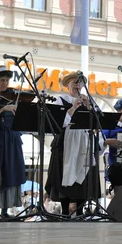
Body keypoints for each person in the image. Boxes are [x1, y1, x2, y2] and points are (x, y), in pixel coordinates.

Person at [45, 72, 103, 216]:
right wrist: (73, 108)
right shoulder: (60, 100)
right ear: (67, 85)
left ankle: (81, 209)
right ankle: (65, 210)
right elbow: (58, 123)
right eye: (74, 82)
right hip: (66, 141)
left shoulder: (88, 100)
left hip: (84, 140)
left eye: (80, 83)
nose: (77, 85)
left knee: (85, 172)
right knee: (66, 172)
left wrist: (88, 106)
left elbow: (98, 122)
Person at [0, 65, 26, 218]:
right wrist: (3, 109)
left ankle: (6, 209)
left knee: (11, 171)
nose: (5, 84)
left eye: (7, 80)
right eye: (1, 80)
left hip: (11, 139)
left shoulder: (9, 97)